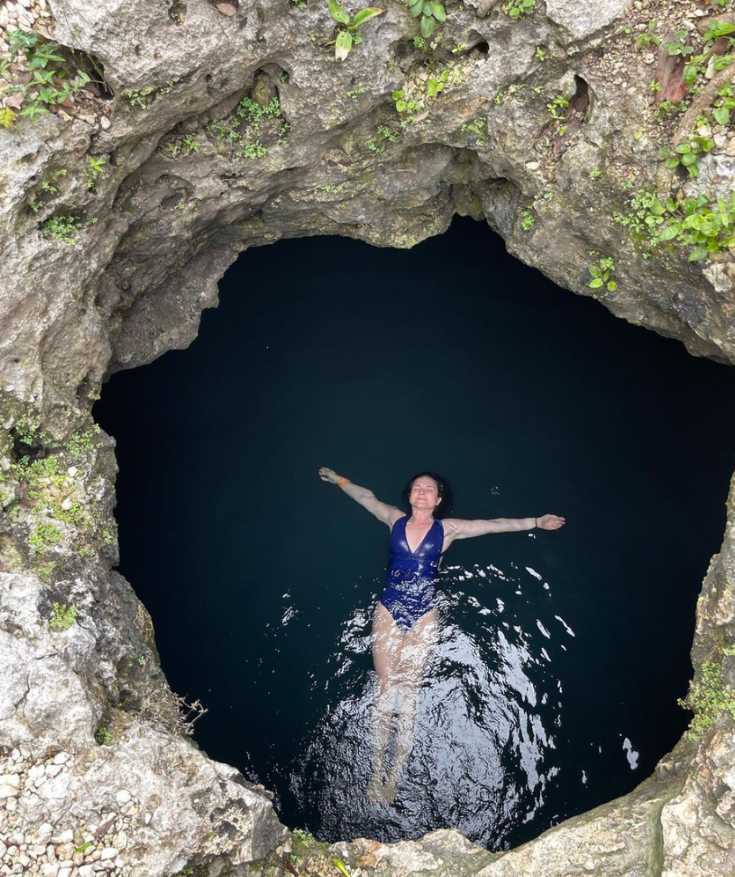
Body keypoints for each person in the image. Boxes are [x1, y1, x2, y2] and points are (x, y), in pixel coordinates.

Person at [318, 467, 566, 804]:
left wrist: (536, 522)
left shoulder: (448, 529)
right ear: (410, 496)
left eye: (428, 489)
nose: (421, 491)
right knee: (386, 685)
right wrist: (339, 480)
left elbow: (493, 525)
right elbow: (366, 498)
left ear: (437, 500)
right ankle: (376, 772)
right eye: (417, 487)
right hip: (389, 608)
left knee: (408, 689)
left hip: (424, 612)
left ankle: (394, 776)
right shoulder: (393, 519)